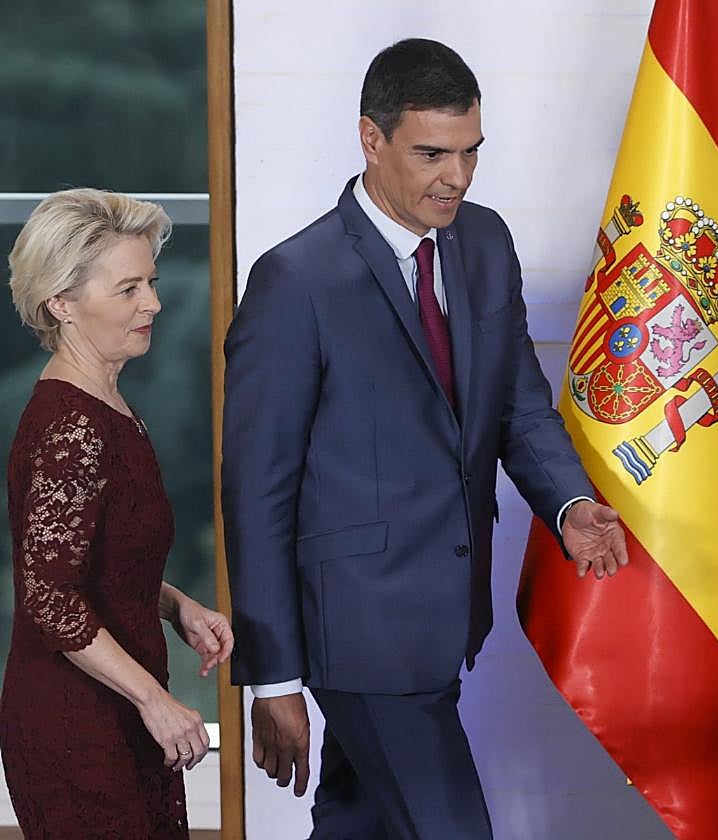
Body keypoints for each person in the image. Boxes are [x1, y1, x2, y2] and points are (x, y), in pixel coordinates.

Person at [222, 38, 628, 838]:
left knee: (360, 822)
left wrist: (570, 503)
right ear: (371, 140)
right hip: (359, 633)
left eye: (471, 151)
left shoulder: (485, 243)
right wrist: (274, 678)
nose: (458, 177)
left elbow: (518, 406)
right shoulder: (295, 280)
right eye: (433, 154)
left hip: (447, 618)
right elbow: (257, 491)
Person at [1, 188, 234, 838]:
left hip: (117, 710)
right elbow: (49, 597)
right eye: (128, 288)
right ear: (62, 303)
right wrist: (155, 701)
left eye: (150, 283)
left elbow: (93, 564)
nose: (153, 303)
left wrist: (176, 605)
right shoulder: (71, 427)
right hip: (77, 725)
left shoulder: (108, 407)